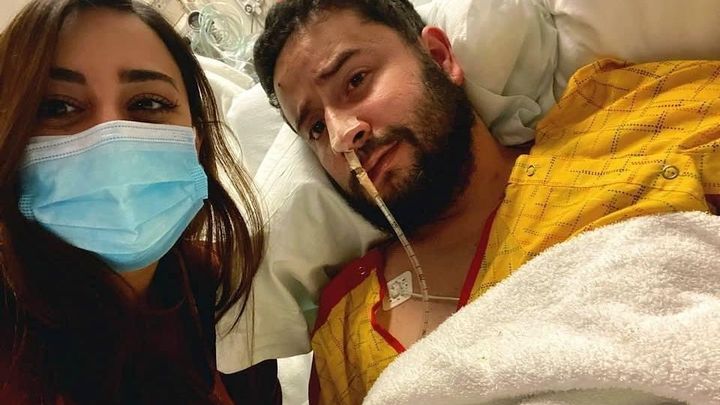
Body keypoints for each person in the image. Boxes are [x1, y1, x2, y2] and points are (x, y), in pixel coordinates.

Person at [253, 0, 720, 404]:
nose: (342, 136)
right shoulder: (344, 329)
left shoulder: (631, 121)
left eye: (356, 80)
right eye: (316, 127)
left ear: (440, 58)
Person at [0, 0, 281, 403]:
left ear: (195, 143)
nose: (111, 139)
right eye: (57, 107)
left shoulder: (219, 288)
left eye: (148, 104)